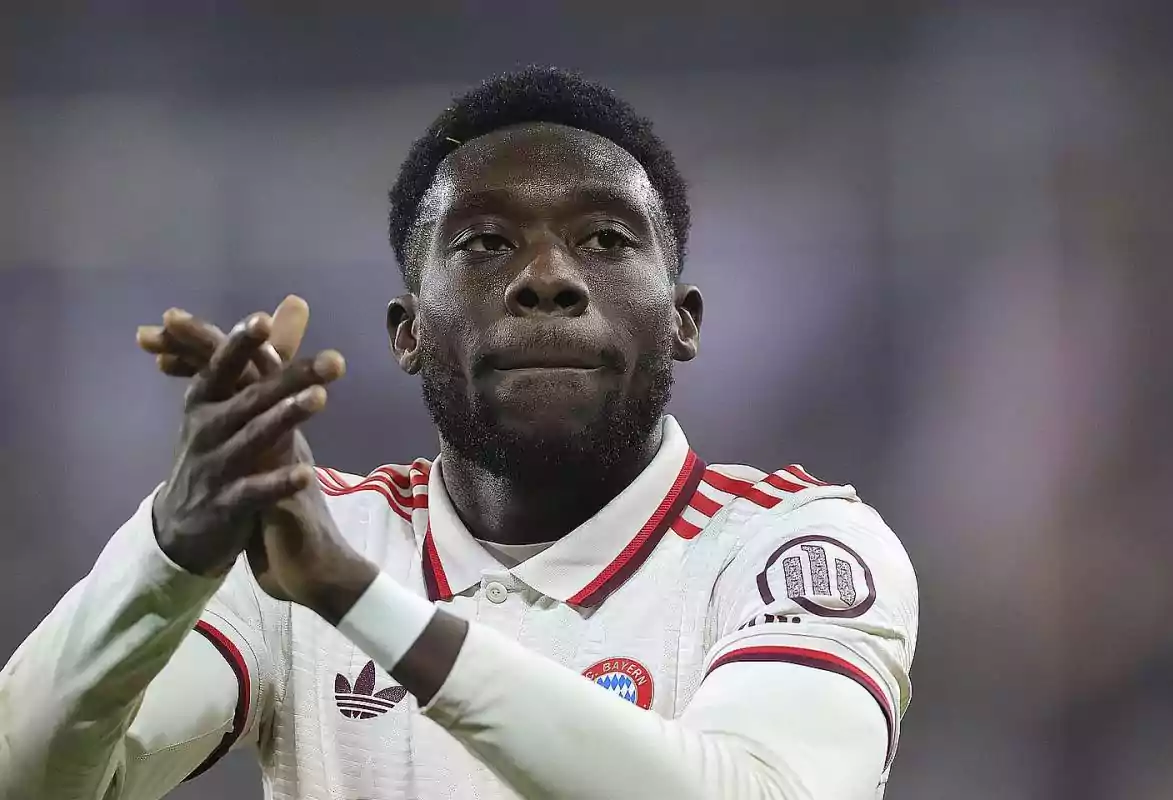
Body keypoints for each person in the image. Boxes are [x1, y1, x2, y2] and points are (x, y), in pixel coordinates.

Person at [0, 67, 918, 800]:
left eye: (606, 239)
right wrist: (170, 549)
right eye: (485, 243)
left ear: (683, 320)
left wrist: (360, 603)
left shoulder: (791, 545)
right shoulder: (303, 545)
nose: (548, 277)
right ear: (408, 333)